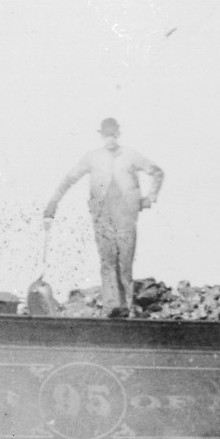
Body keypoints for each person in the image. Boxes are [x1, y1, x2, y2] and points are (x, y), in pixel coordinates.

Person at [42, 118, 165, 318]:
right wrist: (53, 203)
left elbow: (157, 172)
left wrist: (150, 198)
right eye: (107, 135)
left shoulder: (130, 155)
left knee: (125, 261)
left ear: (118, 134)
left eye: (113, 135)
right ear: (102, 136)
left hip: (125, 215)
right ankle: (111, 308)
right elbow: (69, 179)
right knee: (108, 261)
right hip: (102, 216)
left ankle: (126, 308)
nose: (111, 139)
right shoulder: (92, 157)